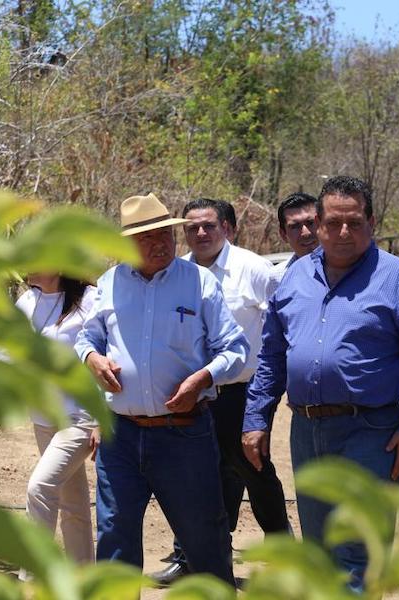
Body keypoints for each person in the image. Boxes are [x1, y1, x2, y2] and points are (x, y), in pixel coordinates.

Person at [243, 175, 399, 588]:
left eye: (354, 222)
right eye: (333, 222)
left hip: (370, 432)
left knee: (357, 553)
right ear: (317, 223)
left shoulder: (398, 279)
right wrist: (256, 418)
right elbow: (271, 356)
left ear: (372, 222)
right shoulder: (295, 278)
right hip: (307, 431)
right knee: (319, 551)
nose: (343, 232)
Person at [74, 192, 249, 585]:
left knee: (204, 536)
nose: (161, 244)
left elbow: (236, 349)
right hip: (120, 437)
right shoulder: (109, 283)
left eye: (165, 235)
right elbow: (86, 339)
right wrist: (92, 360)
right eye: (147, 237)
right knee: (115, 538)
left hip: (184, 435)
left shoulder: (198, 282)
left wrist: (202, 378)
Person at [151, 198, 290, 585]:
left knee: (254, 469)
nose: (199, 233)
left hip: (242, 391)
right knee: (195, 475)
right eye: (192, 227)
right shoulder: (177, 274)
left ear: (227, 228)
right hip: (193, 393)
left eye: (208, 226)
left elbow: (285, 319)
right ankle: (191, 557)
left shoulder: (254, 269)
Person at [0, 273, 98, 573]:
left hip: (80, 417)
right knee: (73, 504)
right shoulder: (27, 302)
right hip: (43, 418)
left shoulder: (90, 300)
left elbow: (106, 351)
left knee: (39, 488)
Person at [269, 192, 318, 292]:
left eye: (310, 223)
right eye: (295, 227)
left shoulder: (348, 271)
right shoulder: (276, 279)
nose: (305, 233)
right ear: (283, 235)